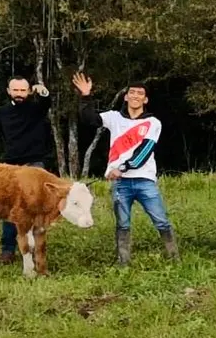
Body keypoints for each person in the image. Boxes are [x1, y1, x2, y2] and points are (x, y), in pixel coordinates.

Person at [73, 72, 179, 266]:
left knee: (161, 220)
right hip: (120, 183)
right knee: (122, 223)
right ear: (126, 96)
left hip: (144, 180)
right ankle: (123, 262)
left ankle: (174, 258)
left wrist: (123, 167)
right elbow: (89, 120)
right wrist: (86, 96)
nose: (135, 96)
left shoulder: (153, 122)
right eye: (132, 92)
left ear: (145, 99)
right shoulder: (114, 118)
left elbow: (145, 150)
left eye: (140, 93)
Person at [0, 75, 52, 263]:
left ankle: (37, 250)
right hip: (11, 165)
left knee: (35, 207)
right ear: (8, 91)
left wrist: (44, 93)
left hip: (34, 164)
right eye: (16, 90)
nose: (19, 94)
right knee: (10, 208)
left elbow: (46, 103)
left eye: (23, 90)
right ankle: (7, 251)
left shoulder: (36, 109)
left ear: (29, 91)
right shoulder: (3, 113)